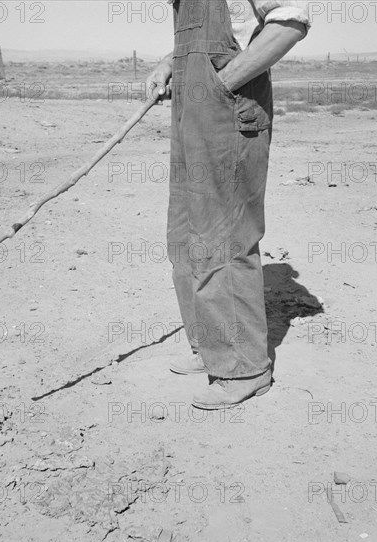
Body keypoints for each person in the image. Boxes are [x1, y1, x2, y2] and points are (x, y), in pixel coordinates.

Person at [146, 0, 311, 410]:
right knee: (186, 231)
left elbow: (291, 21)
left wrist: (224, 81)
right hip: (192, 110)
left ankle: (245, 368)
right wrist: (171, 64)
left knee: (224, 235)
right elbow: (224, 34)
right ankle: (211, 347)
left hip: (228, 108)